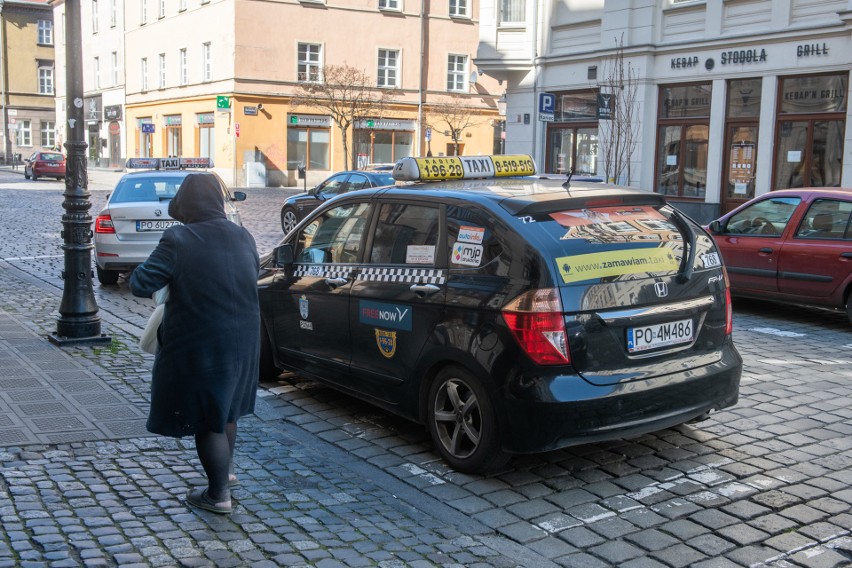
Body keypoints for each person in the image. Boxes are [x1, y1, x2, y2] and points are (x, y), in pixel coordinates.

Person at [130, 172, 260, 515]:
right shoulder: (243, 235)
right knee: (226, 409)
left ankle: (217, 496)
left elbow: (142, 284)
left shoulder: (178, 239)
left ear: (186, 204)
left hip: (202, 340)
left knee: (207, 416)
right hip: (244, 339)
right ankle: (227, 475)